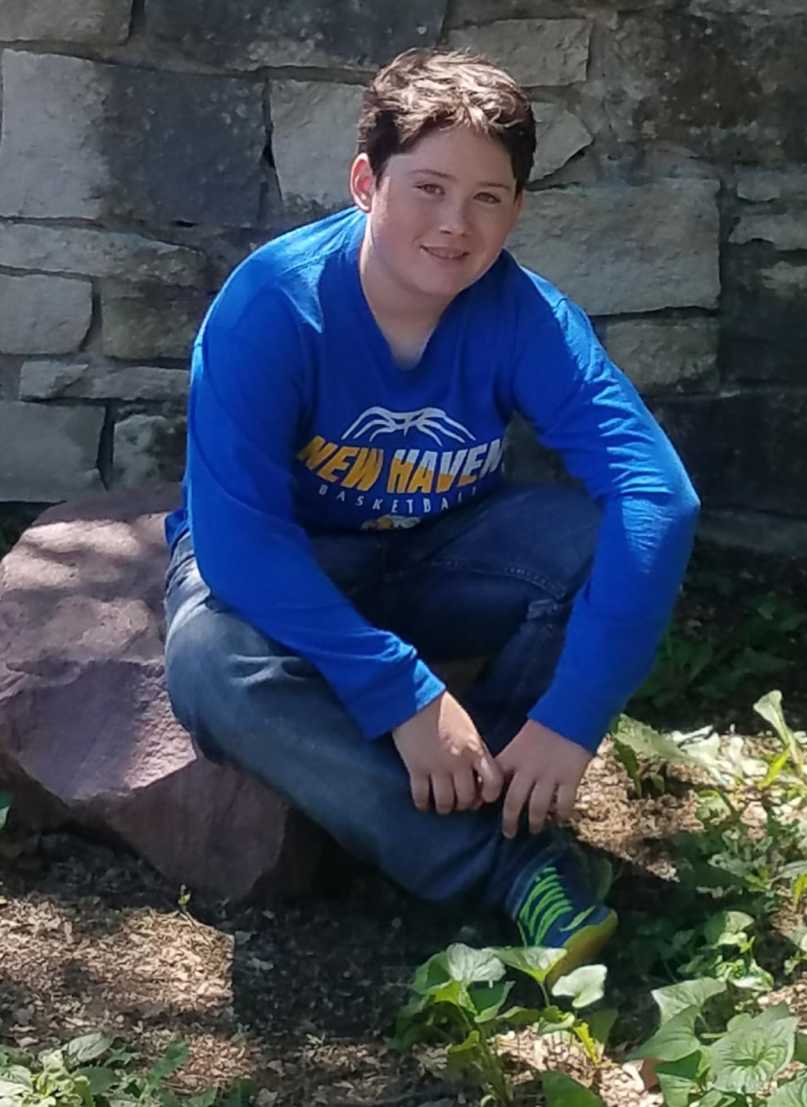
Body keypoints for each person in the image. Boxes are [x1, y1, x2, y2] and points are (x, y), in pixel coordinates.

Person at [163, 47, 699, 979]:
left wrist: (573, 718)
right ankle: (505, 860)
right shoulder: (270, 307)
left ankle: (477, 782)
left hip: (445, 553)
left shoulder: (525, 315)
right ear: (366, 182)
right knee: (208, 658)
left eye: (488, 197)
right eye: (429, 187)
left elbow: (658, 496)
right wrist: (398, 691)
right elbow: (241, 545)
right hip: (297, 565)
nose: (455, 227)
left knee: (593, 547)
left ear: (519, 209)